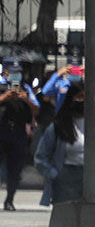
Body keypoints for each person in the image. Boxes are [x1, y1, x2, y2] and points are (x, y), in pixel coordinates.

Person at [34, 80, 86, 205]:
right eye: (79, 97)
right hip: (66, 180)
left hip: (91, 178)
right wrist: (55, 175)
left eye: (85, 97)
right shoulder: (58, 127)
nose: (82, 101)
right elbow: (40, 157)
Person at [0, 83, 37, 211]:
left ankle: (9, 199)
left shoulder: (26, 90)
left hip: (18, 133)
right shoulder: (2, 88)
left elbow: (36, 110)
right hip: (1, 131)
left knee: (15, 170)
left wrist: (26, 100)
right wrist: (5, 96)